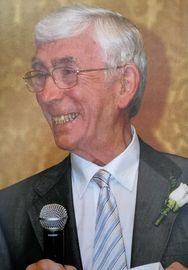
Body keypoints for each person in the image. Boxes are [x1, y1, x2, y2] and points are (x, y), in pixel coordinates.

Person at [0, 4, 188, 270]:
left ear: (124, 85)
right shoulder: (7, 213)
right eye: (41, 74)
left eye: (67, 72)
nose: (46, 95)